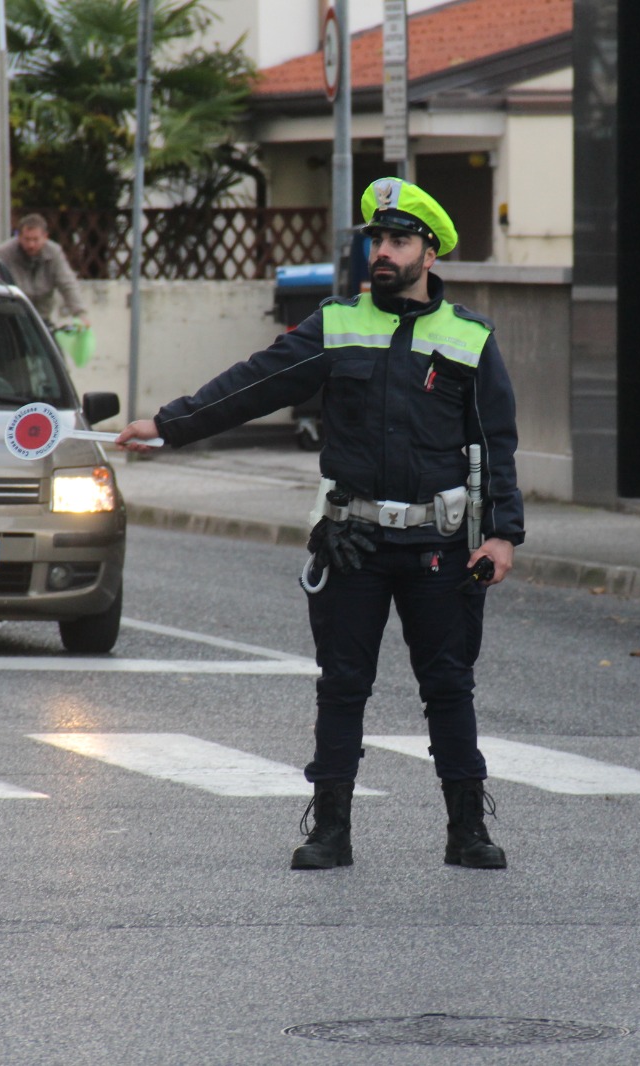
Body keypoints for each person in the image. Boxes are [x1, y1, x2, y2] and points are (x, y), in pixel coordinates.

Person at [118, 178, 523, 871]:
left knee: (449, 687)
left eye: (397, 242)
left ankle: (467, 829)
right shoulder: (337, 323)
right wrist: (169, 426)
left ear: (429, 252)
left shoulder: (468, 337)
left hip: (437, 545)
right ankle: (331, 828)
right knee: (342, 684)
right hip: (354, 539)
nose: (383, 254)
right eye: (376, 241)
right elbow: (254, 382)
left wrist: (501, 534)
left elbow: (497, 442)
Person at [0, 215, 91, 328]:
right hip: (11, 319)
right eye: (27, 239)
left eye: (35, 239)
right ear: (19, 237)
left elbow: (67, 283)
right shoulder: (4, 254)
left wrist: (80, 314)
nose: (31, 245)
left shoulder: (54, 253)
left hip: (42, 319)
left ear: (45, 237)